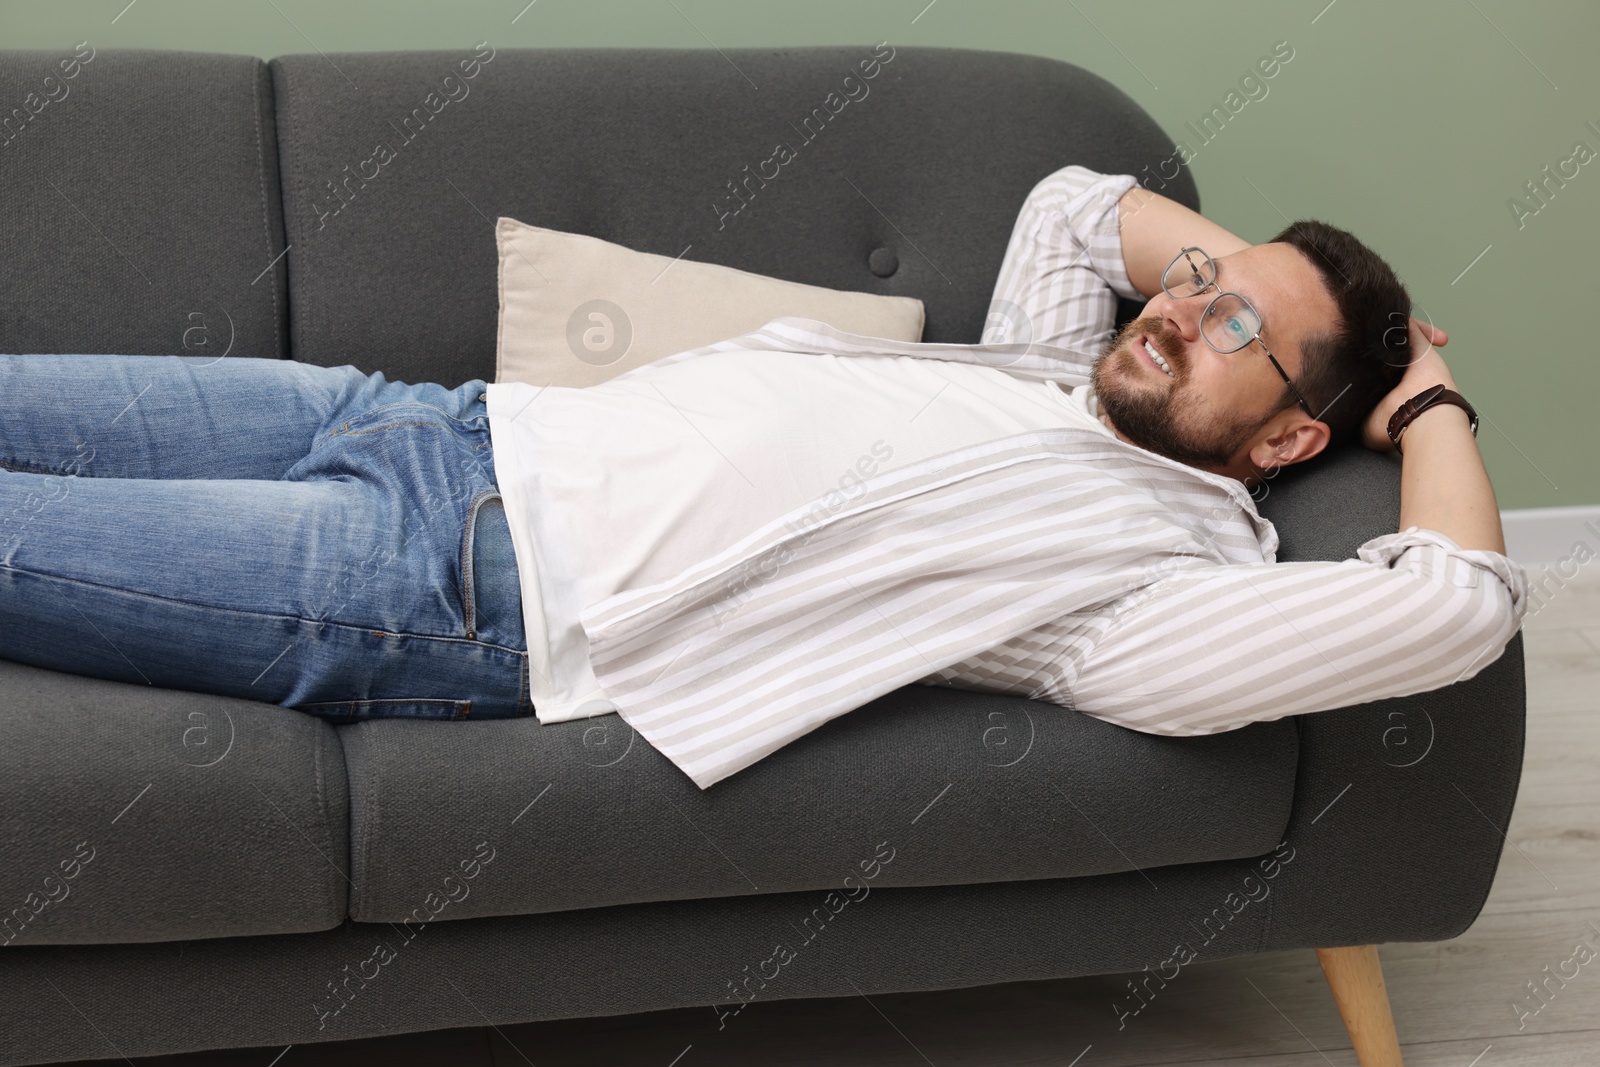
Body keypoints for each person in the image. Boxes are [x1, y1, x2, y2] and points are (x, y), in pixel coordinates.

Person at [0, 165, 1525, 789]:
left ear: (1288, 444)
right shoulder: (1050, 374)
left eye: (1233, 326)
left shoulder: (1142, 591)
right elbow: (1070, 208)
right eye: (1192, 277)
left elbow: (1455, 609)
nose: (1177, 307)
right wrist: (1238, 283)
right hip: (428, 418)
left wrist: (1429, 394)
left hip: (446, 591)